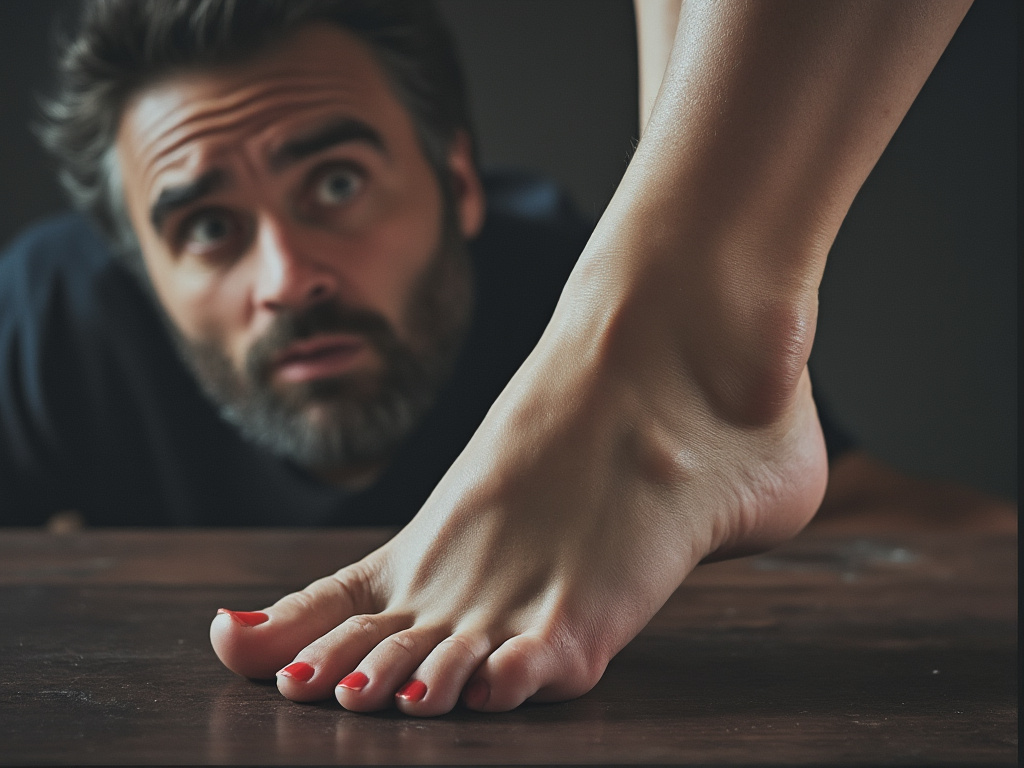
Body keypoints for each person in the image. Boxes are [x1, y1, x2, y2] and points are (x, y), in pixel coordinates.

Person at [0, 0, 1007, 717]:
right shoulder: (55, 318)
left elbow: (930, 520)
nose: (289, 278)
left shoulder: (561, 285)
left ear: (459, 183)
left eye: (337, 184)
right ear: (135, 272)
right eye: (209, 228)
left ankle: (688, 369)